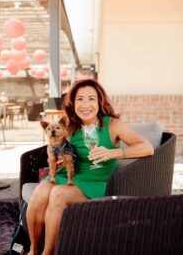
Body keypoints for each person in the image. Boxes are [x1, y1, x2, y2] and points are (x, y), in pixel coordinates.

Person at [26, 79, 154, 255]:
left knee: (57, 193)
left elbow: (147, 147)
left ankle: (48, 253)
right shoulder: (70, 124)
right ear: (73, 102)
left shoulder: (112, 125)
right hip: (69, 175)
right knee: (41, 191)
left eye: (91, 99)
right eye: (80, 99)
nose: (85, 105)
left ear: (99, 101)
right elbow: (54, 144)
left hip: (95, 180)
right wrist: (55, 153)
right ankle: (33, 249)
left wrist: (113, 153)